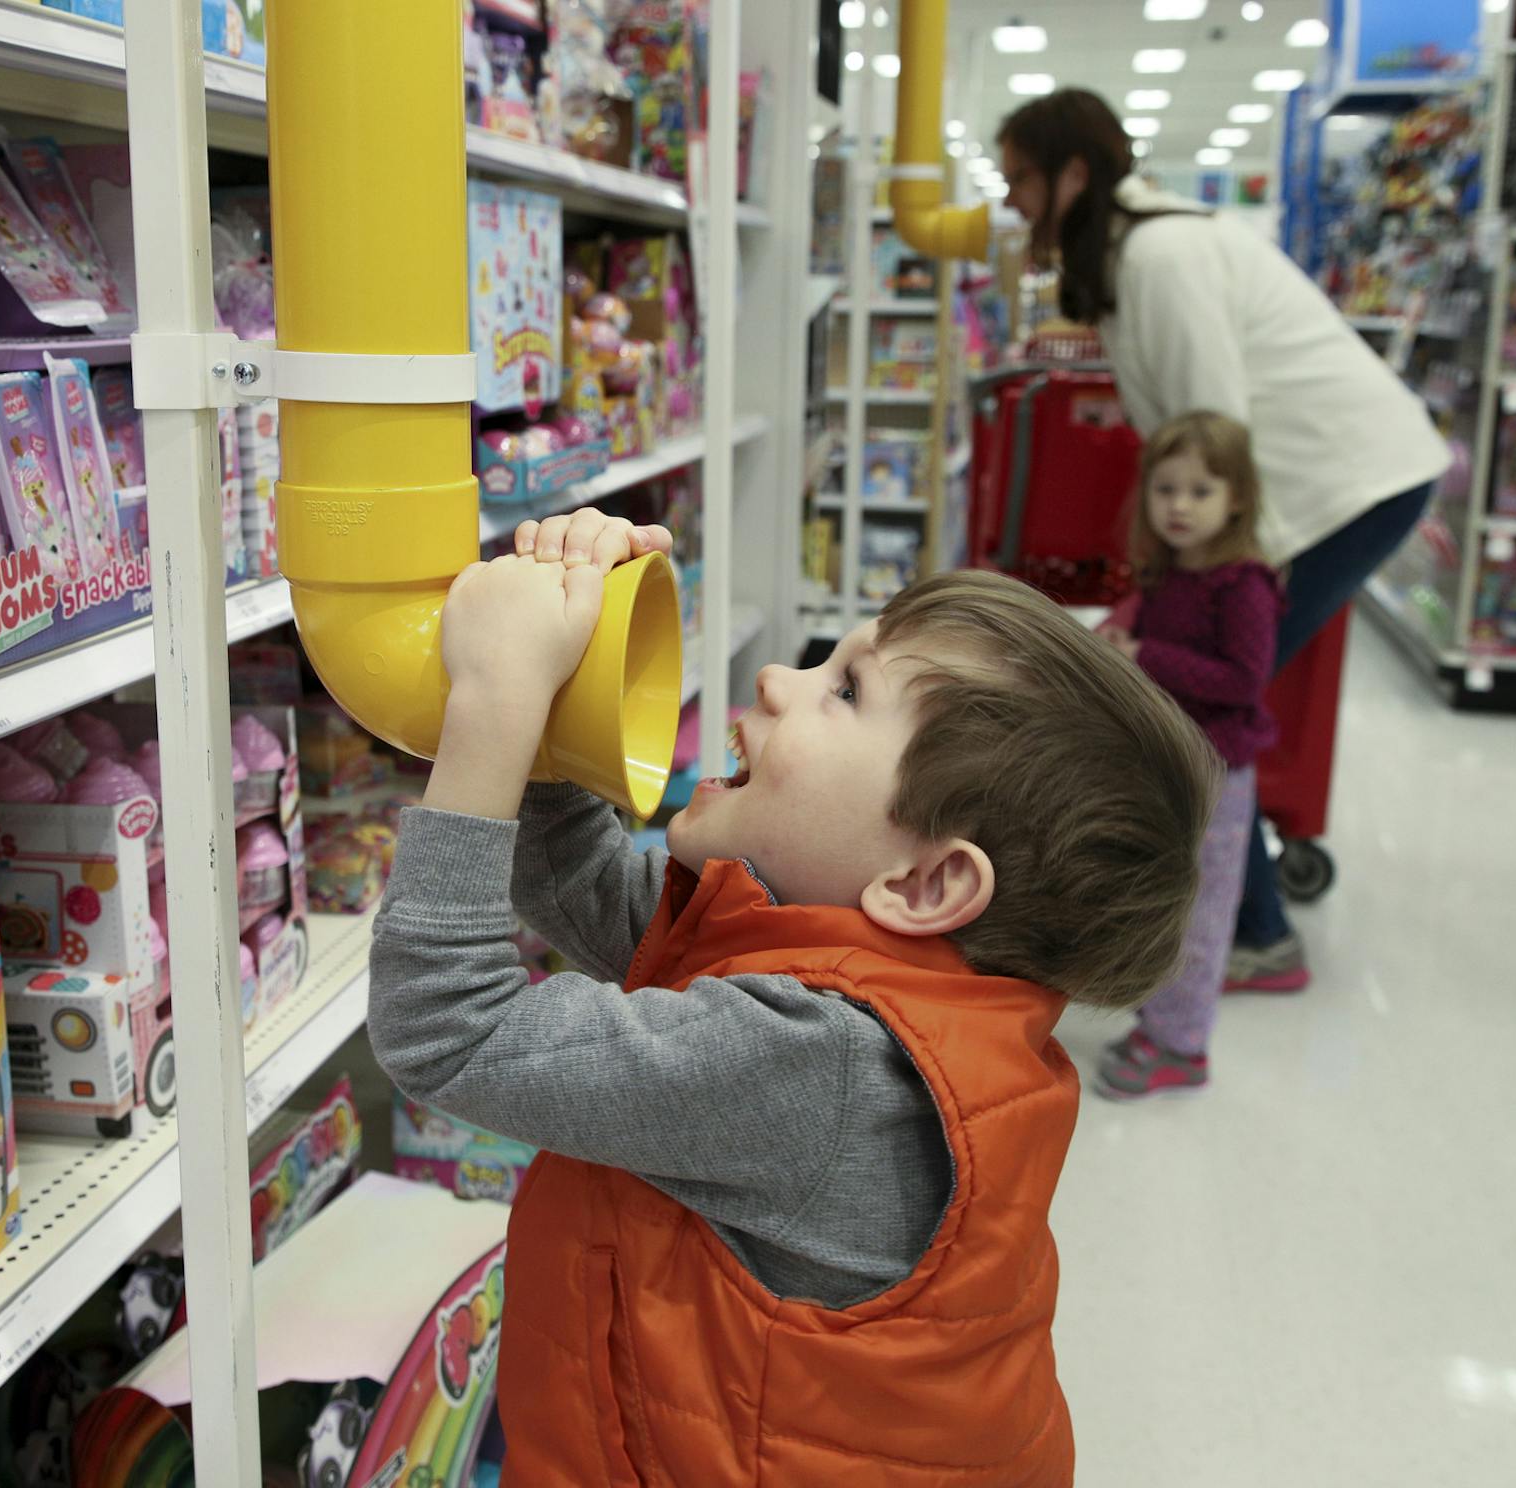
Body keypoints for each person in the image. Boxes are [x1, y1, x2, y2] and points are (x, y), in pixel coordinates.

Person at [369, 508, 1219, 1484]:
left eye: (845, 690)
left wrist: (495, 698)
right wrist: (559, 667)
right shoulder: (841, 954)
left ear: (928, 883)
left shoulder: (828, 1065)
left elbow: (448, 1028)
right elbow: (579, 882)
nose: (779, 679)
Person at [998, 88, 1450, 992]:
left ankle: (1253, 934)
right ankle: (1234, 918)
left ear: (1074, 173)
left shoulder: (1162, 256)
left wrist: (1183, 597)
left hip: (1344, 486)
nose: (1011, 201)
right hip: (1287, 492)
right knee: (1180, 704)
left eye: (1020, 180)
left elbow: (1214, 436)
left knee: (1198, 714)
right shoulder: (1129, 257)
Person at [1096, 412, 1280, 1098]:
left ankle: (1182, 1044)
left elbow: (1243, 680)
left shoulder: (1244, 586)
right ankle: (1160, 1014)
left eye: (1200, 491)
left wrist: (1148, 657)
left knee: (1201, 911)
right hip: (1171, 760)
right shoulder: (1170, 572)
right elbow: (1137, 615)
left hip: (1219, 771)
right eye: (1165, 488)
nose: (1178, 505)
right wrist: (1119, 630)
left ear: (1237, 497)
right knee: (1169, 897)